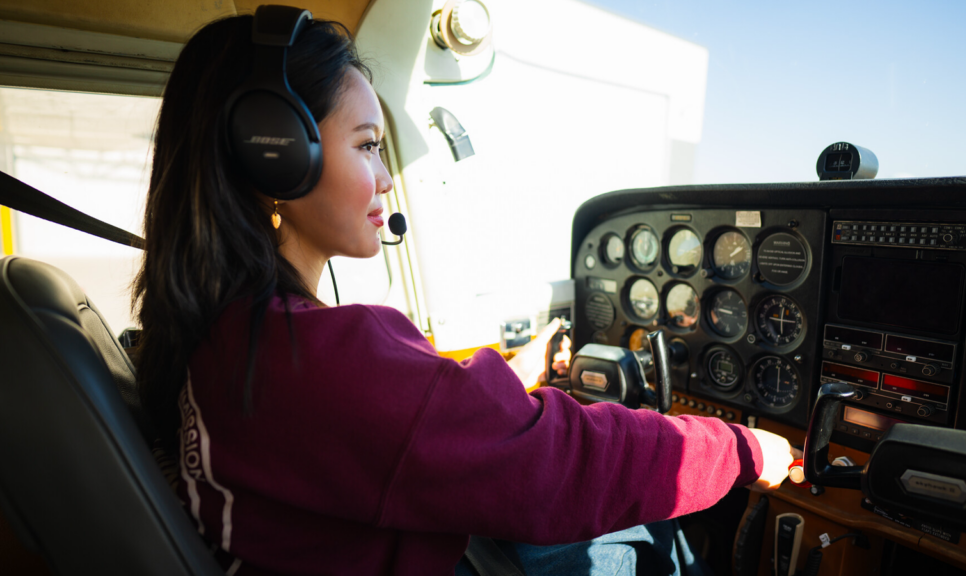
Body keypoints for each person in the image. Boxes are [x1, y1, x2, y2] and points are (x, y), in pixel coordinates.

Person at [132, 7, 797, 576]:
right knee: (654, 540)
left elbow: (390, 424)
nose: (386, 179)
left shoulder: (228, 336)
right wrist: (740, 447)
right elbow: (561, 463)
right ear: (272, 153)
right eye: (367, 146)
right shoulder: (312, 354)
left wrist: (507, 380)